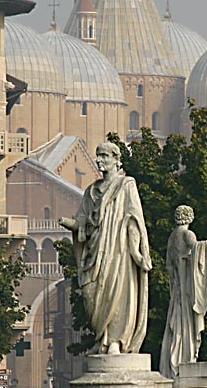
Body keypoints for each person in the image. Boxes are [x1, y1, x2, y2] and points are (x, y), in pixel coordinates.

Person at [60, 142, 151, 355]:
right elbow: (82, 221)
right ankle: (102, 338)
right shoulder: (91, 192)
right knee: (90, 296)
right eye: (98, 155)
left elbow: (134, 219)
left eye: (104, 156)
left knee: (118, 293)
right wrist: (69, 223)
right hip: (95, 252)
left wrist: (137, 252)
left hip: (118, 252)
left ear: (116, 160)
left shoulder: (126, 185)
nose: (99, 160)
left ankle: (116, 341)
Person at [160, 205, 207, 378]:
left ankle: (178, 358)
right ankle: (186, 357)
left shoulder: (172, 237)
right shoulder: (187, 235)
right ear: (190, 217)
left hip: (177, 288)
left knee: (178, 324)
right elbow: (198, 252)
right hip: (188, 287)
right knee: (187, 326)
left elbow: (168, 264)